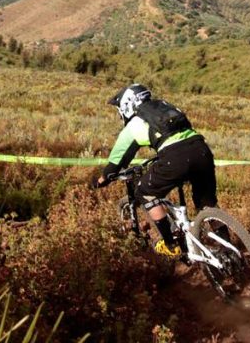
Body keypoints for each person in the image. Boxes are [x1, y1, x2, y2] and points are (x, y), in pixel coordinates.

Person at [91, 84, 218, 258]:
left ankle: (171, 244)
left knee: (145, 191)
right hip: (201, 149)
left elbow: (116, 163)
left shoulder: (134, 124)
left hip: (175, 157)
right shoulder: (168, 107)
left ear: (127, 105)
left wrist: (101, 180)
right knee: (206, 201)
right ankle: (228, 247)